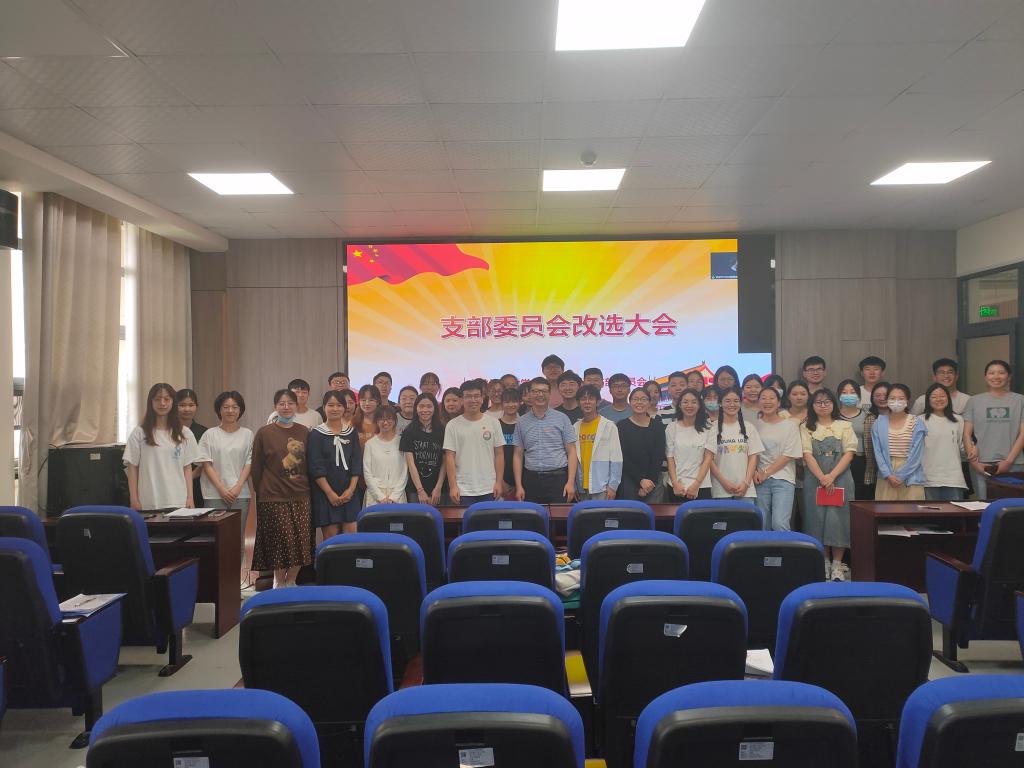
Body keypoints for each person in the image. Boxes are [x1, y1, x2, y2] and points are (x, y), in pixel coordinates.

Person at [251, 388, 312, 589]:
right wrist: (262, 491)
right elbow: (257, 466)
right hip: (273, 495)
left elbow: (309, 463)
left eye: (290, 403)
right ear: (275, 407)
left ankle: (291, 580)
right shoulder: (264, 433)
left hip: (301, 494)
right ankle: (278, 581)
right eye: (282, 403)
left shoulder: (304, 431)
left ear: (297, 406)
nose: (286, 407)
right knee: (280, 540)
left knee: (301, 540)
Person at [801, 388, 856, 581]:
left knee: (839, 520)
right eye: (818, 402)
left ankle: (837, 565)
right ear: (812, 405)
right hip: (815, 480)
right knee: (817, 519)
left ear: (834, 404)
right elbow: (807, 454)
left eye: (827, 402)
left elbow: (849, 453)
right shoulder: (806, 427)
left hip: (840, 478)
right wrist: (822, 478)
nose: (823, 405)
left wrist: (831, 476)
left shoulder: (845, 426)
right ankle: (823, 562)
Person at [195, 390, 253, 558]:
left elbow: (249, 462)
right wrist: (221, 488)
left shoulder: (248, 434)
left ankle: (236, 574)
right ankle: (215, 574)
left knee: (237, 538)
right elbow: (206, 464)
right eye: (226, 407)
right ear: (219, 410)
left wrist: (238, 486)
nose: (230, 410)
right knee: (214, 537)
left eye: (235, 407)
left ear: (240, 410)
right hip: (213, 493)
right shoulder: (209, 434)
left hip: (240, 494)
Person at [125, 383, 198, 511]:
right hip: (149, 501)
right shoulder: (139, 433)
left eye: (167, 399)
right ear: (151, 402)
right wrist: (134, 499)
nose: (162, 403)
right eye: (158, 399)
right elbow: (132, 467)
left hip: (178, 501)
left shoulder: (185, 433)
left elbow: (187, 468)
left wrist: (190, 498)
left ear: (173, 402)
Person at [963, 359, 1024, 499]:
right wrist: (974, 462)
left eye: (1001, 373)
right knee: (984, 505)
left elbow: (1023, 434)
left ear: (1009, 377)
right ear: (986, 377)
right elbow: (966, 434)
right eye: (991, 373)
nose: (996, 376)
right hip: (982, 464)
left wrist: (1008, 461)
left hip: (1014, 463)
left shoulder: (1020, 400)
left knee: (1013, 506)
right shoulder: (974, 401)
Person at [513, 377, 577, 503]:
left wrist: (570, 482)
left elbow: (572, 452)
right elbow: (517, 455)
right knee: (532, 515)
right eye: (536, 391)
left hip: (558, 480)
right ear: (530, 394)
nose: (540, 395)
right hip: (530, 480)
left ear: (550, 394)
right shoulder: (521, 421)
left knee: (559, 515)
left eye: (544, 391)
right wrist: (519, 486)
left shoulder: (562, 418)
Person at [308, 390, 361, 538]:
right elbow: (316, 467)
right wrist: (330, 493)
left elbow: (356, 463)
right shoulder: (316, 434)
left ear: (344, 408)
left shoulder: (351, 432)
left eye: (339, 405)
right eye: (330, 405)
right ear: (324, 408)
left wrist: (351, 490)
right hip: (325, 494)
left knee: (352, 534)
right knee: (331, 538)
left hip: (349, 492)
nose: (335, 409)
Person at [443, 379, 504, 505]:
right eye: (468, 396)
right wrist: (453, 486)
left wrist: (499, 482)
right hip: (463, 489)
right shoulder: (452, 425)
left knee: (488, 518)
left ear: (482, 398)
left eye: (476, 396)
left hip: (489, 487)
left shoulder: (493, 422)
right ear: (461, 400)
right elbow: (449, 457)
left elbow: (499, 454)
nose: (473, 400)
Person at [753, 386, 802, 530]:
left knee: (779, 523)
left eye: (771, 398)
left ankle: (783, 546)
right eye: (763, 398)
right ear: (758, 402)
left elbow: (788, 455)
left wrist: (766, 472)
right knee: (762, 523)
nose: (767, 401)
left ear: (779, 402)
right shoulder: (753, 426)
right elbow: (752, 453)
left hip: (783, 479)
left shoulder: (790, 426)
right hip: (759, 481)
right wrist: (755, 472)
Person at [705, 386, 763, 499]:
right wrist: (724, 482)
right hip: (720, 490)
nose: (732, 404)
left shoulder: (749, 427)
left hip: (746, 490)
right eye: (727, 401)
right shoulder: (712, 428)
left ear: (740, 403)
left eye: (736, 401)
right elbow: (709, 460)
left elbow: (753, 458)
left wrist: (746, 483)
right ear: (720, 403)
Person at [871, 383, 926, 501]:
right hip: (886, 474)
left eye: (901, 398)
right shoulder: (878, 423)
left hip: (911, 473)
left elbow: (917, 454)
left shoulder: (917, 422)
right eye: (892, 398)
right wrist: (888, 475)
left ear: (907, 400)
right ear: (887, 400)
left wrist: (901, 476)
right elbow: (878, 452)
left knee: (911, 510)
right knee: (885, 510)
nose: (896, 402)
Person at [921, 383, 970, 501]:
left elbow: (962, 447)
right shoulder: (920, 420)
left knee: (954, 512)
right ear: (928, 400)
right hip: (928, 477)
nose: (938, 399)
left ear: (948, 398)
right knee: (930, 512)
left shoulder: (958, 420)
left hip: (953, 478)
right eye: (934, 397)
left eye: (942, 396)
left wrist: (973, 448)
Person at [617, 387, 666, 501]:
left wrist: (649, 481)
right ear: (630, 402)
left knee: (655, 512)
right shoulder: (622, 426)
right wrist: (640, 480)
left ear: (649, 403)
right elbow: (622, 456)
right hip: (629, 480)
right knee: (631, 512)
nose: (639, 402)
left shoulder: (657, 426)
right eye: (635, 399)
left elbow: (658, 455)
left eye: (643, 399)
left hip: (653, 481)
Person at [574, 384, 622, 500]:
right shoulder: (575, 427)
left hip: (602, 486)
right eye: (583, 399)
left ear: (598, 402)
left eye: (591, 398)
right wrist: (574, 485)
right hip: (581, 487)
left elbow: (617, 459)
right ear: (578, 403)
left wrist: (613, 486)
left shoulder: (609, 426)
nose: (587, 402)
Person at [665, 388, 713, 501]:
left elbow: (708, 458)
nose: (689, 405)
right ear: (679, 405)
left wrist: (696, 484)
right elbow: (670, 458)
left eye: (694, 402)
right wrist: (675, 483)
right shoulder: (672, 427)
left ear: (699, 405)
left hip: (701, 486)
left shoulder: (709, 427)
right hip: (677, 487)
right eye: (685, 402)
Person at [401, 393, 447, 506]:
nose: (425, 410)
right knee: (417, 517)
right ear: (416, 408)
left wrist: (438, 488)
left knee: (440, 517)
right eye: (421, 406)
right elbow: (411, 464)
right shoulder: (408, 431)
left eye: (429, 406)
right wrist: (420, 491)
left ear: (435, 408)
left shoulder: (442, 431)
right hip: (415, 489)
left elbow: (445, 462)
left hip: (439, 489)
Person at [362, 406, 407, 506]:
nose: (385, 422)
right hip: (374, 496)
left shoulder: (402, 442)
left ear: (395, 421)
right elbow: (367, 473)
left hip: (398, 497)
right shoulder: (370, 444)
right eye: (381, 419)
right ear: (376, 421)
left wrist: (394, 496)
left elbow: (405, 471)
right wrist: (380, 497)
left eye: (389, 418)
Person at [836, 378, 869, 500]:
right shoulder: (833, 416)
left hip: (861, 461)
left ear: (859, 396)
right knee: (842, 496)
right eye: (844, 392)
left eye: (852, 392)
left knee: (860, 497)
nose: (848, 395)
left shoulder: (867, 416)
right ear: (839, 396)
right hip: (839, 461)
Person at [177, 387, 207, 507]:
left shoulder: (204, 432)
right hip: (172, 484)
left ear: (197, 407)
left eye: (191, 405)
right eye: (182, 405)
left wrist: (188, 478)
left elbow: (205, 462)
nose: (187, 409)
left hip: (196, 485)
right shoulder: (167, 431)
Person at [861, 381, 891, 496]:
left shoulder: (900, 418)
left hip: (895, 468)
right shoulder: (868, 417)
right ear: (872, 398)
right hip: (872, 467)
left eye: (886, 395)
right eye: (878, 395)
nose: (882, 398)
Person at [498, 388, 521, 497]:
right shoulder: (495, 425)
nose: (511, 405)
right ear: (502, 404)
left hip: (524, 478)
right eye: (507, 402)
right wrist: (500, 481)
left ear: (520, 402)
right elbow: (492, 455)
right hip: (501, 479)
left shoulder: (524, 424)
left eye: (514, 401)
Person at [354, 383, 381, 452]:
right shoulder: (353, 422)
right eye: (363, 400)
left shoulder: (383, 422)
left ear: (378, 402)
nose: (367, 403)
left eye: (371, 400)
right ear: (359, 401)